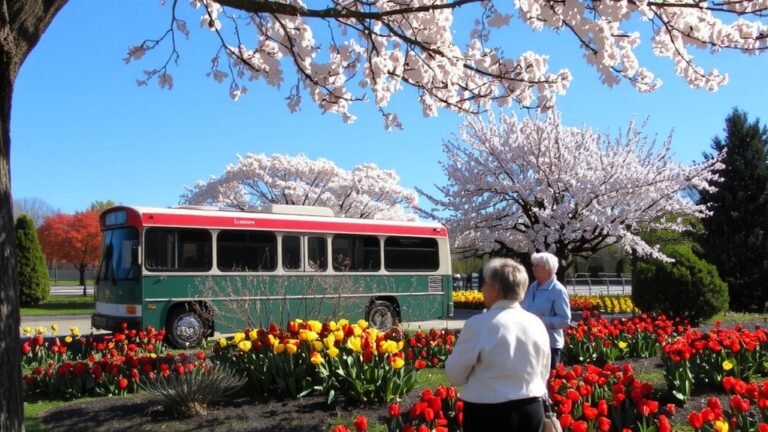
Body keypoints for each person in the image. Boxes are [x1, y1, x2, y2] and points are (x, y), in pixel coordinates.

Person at [445, 258, 551, 432]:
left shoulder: (478, 324)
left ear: (496, 290)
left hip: (488, 413)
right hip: (531, 409)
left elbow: (455, 374)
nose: (482, 289)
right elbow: (543, 371)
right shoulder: (536, 323)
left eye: (485, 284)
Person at [521, 252, 572, 370]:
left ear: (549, 269)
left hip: (550, 345)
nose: (533, 268)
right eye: (533, 265)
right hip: (530, 342)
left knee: (548, 383)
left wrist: (541, 321)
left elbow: (564, 320)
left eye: (537, 265)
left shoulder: (558, 290)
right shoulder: (533, 287)